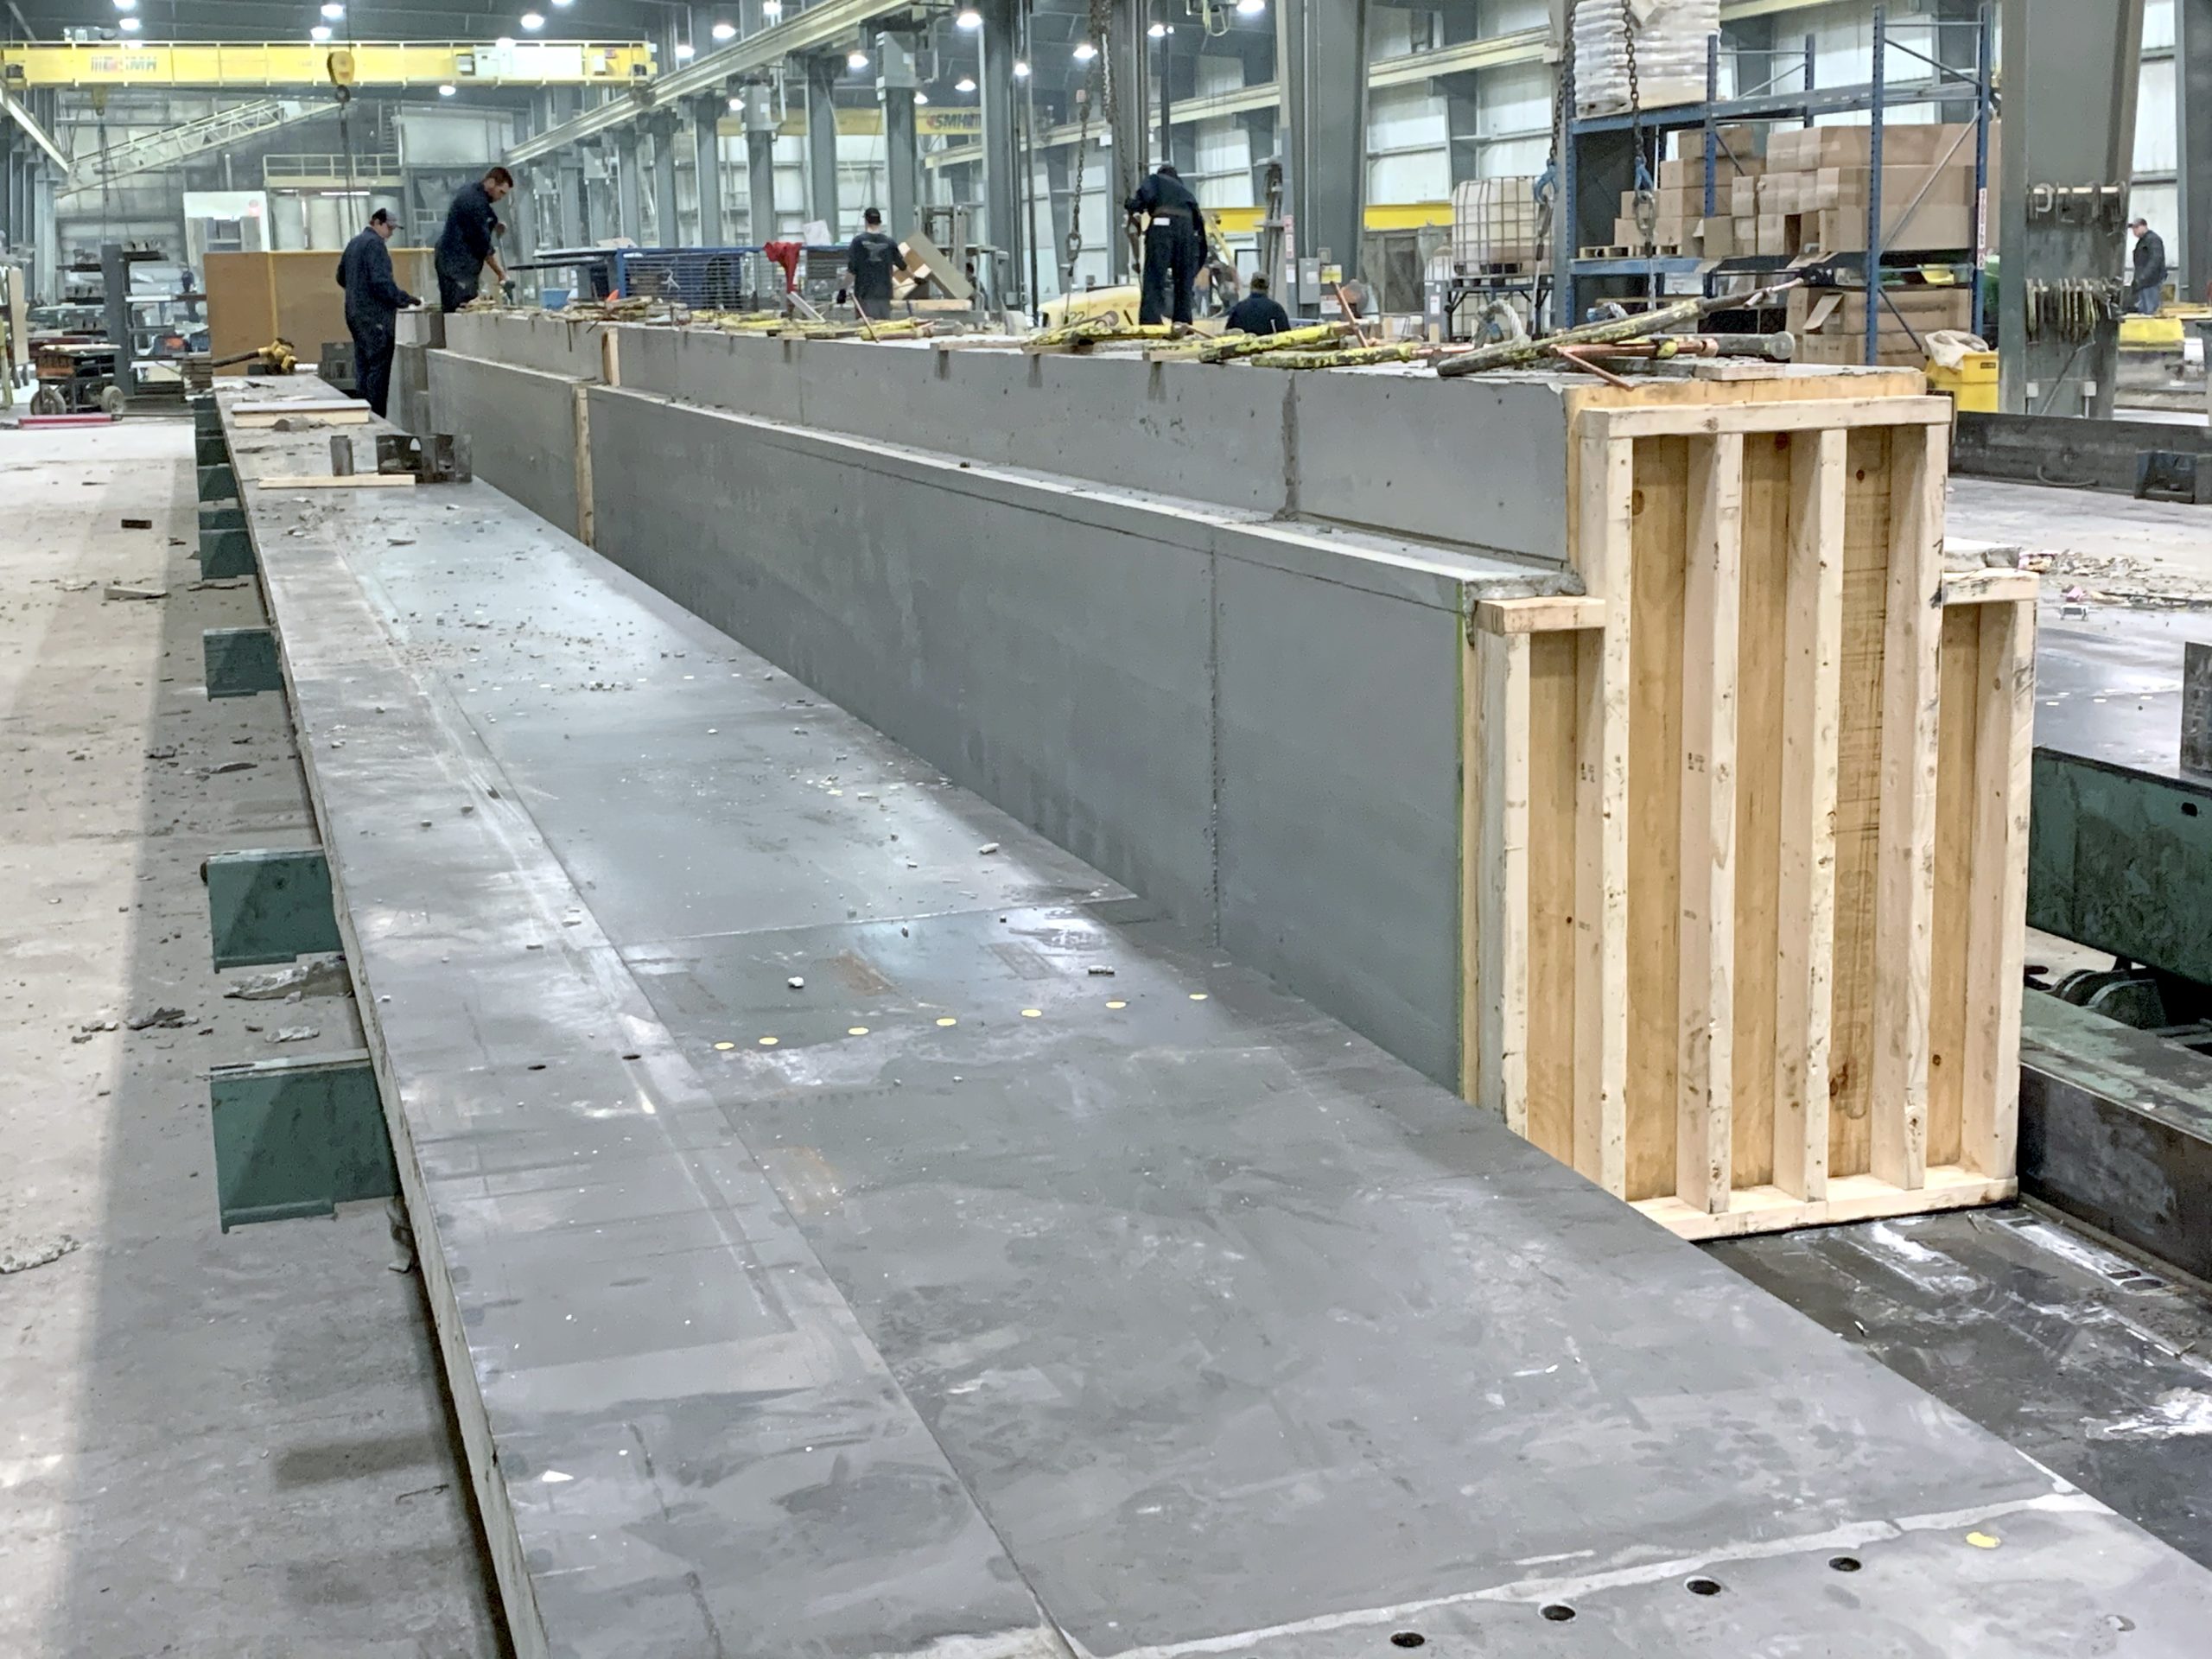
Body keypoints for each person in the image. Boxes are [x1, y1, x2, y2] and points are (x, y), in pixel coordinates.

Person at [334, 208, 417, 418]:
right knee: (378, 371)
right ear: (377, 223)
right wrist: (404, 299)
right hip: (375, 317)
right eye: (389, 228)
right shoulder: (375, 245)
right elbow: (381, 283)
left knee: (364, 366)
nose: (390, 234)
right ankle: (377, 419)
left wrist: (358, 291)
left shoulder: (354, 243)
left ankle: (364, 416)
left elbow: (341, 277)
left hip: (355, 314)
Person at [1125, 162, 1204, 326]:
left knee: (1154, 276)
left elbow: (1143, 200)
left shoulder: (1156, 179)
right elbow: (1199, 224)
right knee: (1183, 281)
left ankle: (1151, 321)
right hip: (1187, 231)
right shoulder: (1186, 191)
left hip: (1163, 226)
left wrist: (1130, 204)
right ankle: (1183, 322)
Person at [435, 165, 512, 313]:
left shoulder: (473, 192)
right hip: (457, 266)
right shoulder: (474, 202)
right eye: (501, 192)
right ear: (491, 182)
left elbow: (485, 215)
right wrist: (501, 273)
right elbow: (484, 246)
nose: (500, 198)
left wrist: (495, 224)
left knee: (464, 309)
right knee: (462, 312)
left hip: (454, 263)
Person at [843, 207, 908, 320]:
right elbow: (902, 266)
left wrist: (843, 290)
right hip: (884, 295)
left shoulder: (858, 242)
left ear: (866, 221)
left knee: (866, 326)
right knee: (884, 327)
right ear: (880, 222)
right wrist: (916, 278)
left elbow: (852, 270)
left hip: (864, 294)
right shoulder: (890, 243)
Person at [1223, 272, 1292, 338]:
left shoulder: (1238, 308)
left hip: (1242, 346)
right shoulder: (1276, 309)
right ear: (1268, 288)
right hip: (1268, 346)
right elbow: (1286, 336)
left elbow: (1229, 334)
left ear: (1251, 286)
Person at [2129, 217, 2169, 316]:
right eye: (2133, 229)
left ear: (2144, 226)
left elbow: (2156, 260)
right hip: (2144, 282)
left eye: (2136, 228)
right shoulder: (2143, 241)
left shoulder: (2153, 239)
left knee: (2150, 312)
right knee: (2144, 311)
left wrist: (2144, 276)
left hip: (2151, 282)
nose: (2134, 231)